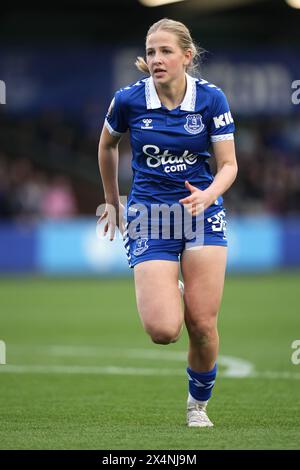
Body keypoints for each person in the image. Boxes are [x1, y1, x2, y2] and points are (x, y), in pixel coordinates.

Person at [98, 18, 238, 427]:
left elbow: (228, 165)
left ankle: (197, 406)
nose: (156, 59)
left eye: (166, 51)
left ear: (187, 57)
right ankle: (172, 288)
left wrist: (209, 195)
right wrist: (111, 200)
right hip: (150, 216)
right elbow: (107, 143)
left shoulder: (211, 100)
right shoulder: (128, 100)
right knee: (163, 330)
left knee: (203, 323)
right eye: (151, 51)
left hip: (201, 213)